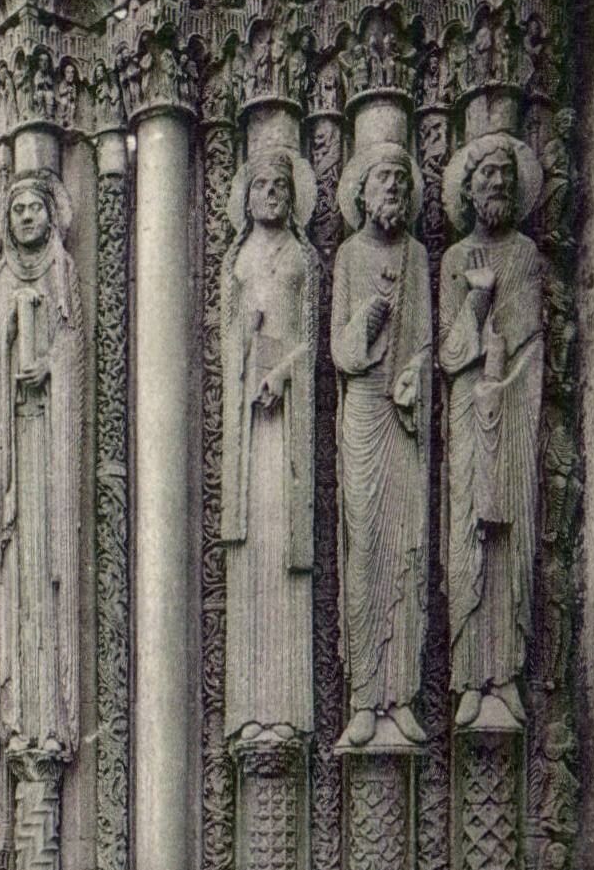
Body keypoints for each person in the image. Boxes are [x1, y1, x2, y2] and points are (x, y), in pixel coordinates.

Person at [440, 133, 544, 728]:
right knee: (467, 537)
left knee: (509, 542)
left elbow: (527, 339)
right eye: (487, 177)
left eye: (506, 175)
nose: (498, 184)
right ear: (469, 190)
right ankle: (468, 680)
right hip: (465, 412)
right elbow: (452, 354)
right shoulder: (455, 260)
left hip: (513, 410)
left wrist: (500, 379)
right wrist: (477, 309)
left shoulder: (525, 254)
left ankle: (504, 676)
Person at [331, 141, 432, 748]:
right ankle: (365, 697)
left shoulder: (418, 258)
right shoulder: (347, 256)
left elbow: (424, 340)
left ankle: (403, 696)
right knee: (365, 551)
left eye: (401, 179)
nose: (392, 187)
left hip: (405, 416)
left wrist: (415, 373)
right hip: (364, 414)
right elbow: (340, 352)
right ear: (362, 193)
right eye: (382, 179)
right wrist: (368, 319)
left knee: (408, 555)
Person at [0, 171, 84, 757]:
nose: (24, 216)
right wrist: (10, 336)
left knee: (46, 567)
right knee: (19, 574)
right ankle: (22, 716)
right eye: (15, 208)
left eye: (34, 207)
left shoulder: (64, 271)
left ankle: (51, 719)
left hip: (52, 453)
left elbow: (71, 345)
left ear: (51, 214)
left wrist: (50, 366)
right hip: (17, 449)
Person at [221, 147, 319, 741]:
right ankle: (249, 709)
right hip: (248, 436)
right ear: (247, 198)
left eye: (282, 186)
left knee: (283, 550)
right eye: (262, 185)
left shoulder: (303, 260)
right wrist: (244, 343)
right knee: (253, 557)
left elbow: (310, 338)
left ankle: (286, 710)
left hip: (288, 428)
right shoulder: (238, 263)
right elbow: (227, 339)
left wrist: (283, 371)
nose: (273, 193)